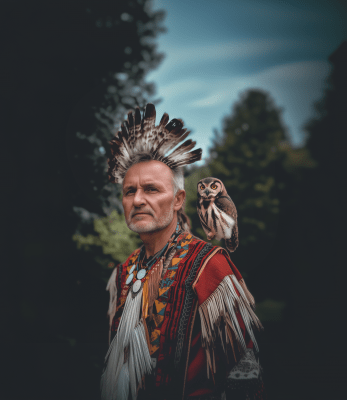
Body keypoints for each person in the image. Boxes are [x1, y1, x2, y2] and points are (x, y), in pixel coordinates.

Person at [100, 104, 265, 400]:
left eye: (151, 189)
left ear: (178, 200)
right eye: (129, 191)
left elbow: (244, 374)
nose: (137, 200)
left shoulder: (210, 268)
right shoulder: (123, 274)